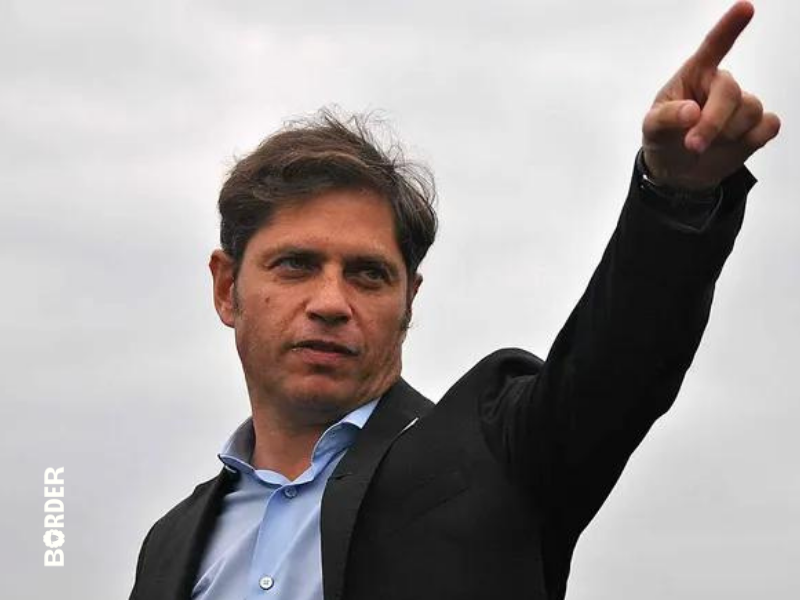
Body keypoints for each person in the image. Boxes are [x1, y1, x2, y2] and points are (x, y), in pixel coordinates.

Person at [128, 3, 780, 599]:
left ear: (409, 300)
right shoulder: (170, 545)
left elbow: (616, 368)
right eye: (296, 265)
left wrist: (676, 195)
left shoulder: (497, 453)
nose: (330, 302)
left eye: (368, 274)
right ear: (227, 288)